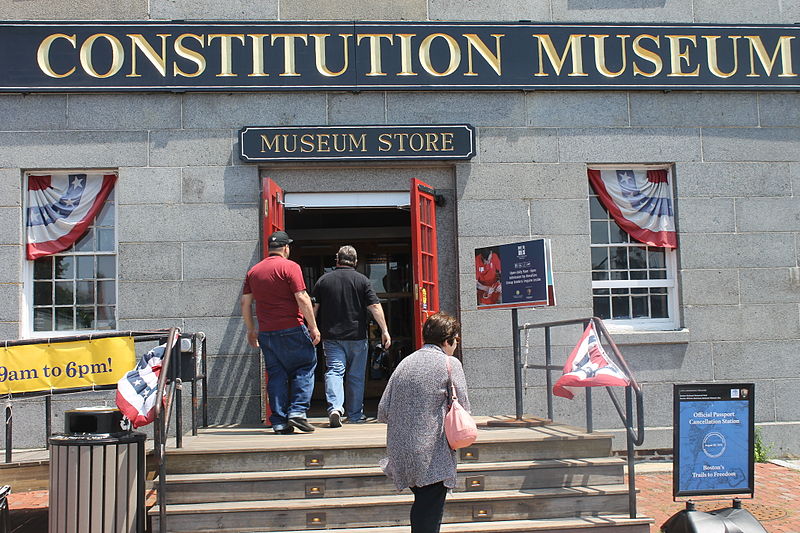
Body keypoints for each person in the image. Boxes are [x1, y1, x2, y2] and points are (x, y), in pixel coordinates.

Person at [377, 312, 469, 533]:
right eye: (455, 340)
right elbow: (464, 408)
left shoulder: (405, 363)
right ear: (447, 340)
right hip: (431, 452)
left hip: (401, 450)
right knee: (429, 511)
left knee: (424, 503)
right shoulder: (449, 363)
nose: (455, 346)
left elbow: (383, 410)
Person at [241, 231, 321, 435]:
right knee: (305, 365)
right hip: (291, 327)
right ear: (286, 248)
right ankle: (298, 411)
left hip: (267, 331)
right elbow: (302, 297)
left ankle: (278, 421)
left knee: (276, 373)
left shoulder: (254, 271)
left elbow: (246, 303)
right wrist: (313, 326)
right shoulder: (290, 267)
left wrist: (251, 330)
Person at [312, 245, 391, 427]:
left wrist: (312, 328)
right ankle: (355, 415)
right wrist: (385, 330)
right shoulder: (362, 281)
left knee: (334, 371)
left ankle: (335, 407)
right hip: (357, 336)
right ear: (355, 261)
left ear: (336, 260)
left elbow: (313, 307)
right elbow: (375, 307)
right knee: (355, 376)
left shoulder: (323, 281)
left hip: (331, 337)